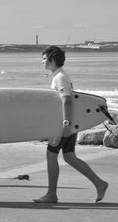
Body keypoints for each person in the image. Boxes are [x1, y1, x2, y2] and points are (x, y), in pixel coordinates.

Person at [33, 46, 108, 203]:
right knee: (69, 157)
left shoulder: (60, 77)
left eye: (45, 58)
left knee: (51, 155)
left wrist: (65, 124)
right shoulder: (60, 76)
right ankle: (99, 183)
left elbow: (67, 99)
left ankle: (51, 194)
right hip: (71, 122)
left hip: (64, 125)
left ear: (52, 60)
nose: (42, 61)